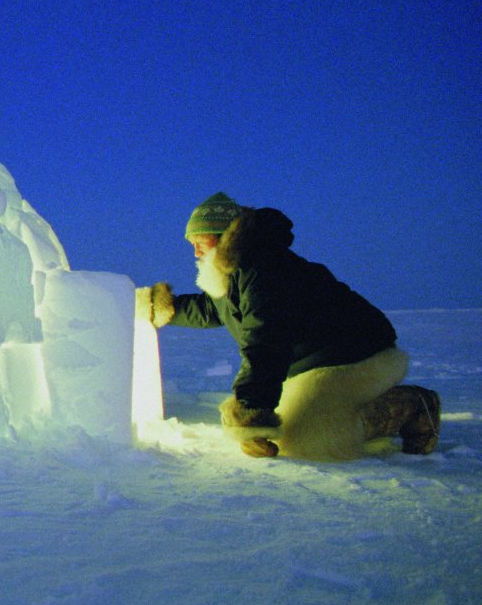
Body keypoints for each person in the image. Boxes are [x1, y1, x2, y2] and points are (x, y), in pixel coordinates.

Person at [135, 192, 440, 459]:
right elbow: (207, 309)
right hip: (310, 366)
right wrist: (158, 306)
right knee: (291, 428)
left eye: (200, 241)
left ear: (224, 236)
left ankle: (414, 405)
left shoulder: (266, 271)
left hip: (356, 358)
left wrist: (253, 415)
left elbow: (265, 342)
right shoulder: (235, 275)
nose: (195, 251)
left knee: (311, 441)